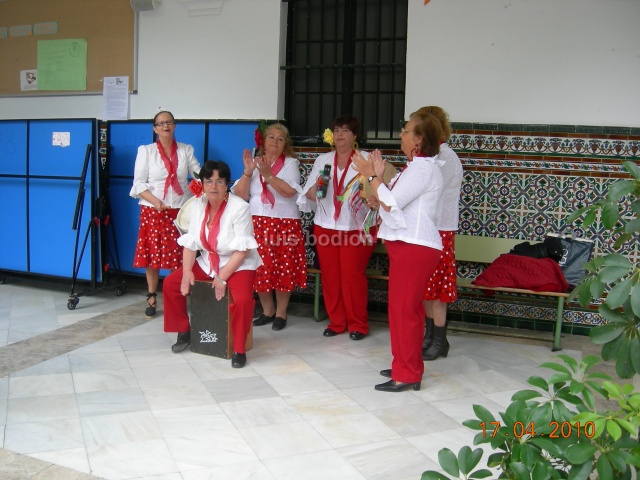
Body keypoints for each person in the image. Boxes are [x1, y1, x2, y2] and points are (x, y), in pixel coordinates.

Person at [351, 111, 444, 392]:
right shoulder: (414, 167)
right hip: (409, 246)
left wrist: (371, 176)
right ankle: (405, 364)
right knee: (403, 310)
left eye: (406, 131)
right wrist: (376, 180)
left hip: (415, 247)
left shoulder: (423, 169)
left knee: (404, 311)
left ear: (419, 139)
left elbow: (392, 203)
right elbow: (387, 203)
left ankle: (407, 373)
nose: (400, 135)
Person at [162, 161, 261, 367]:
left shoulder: (240, 207)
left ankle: (239, 349)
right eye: (209, 181)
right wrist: (188, 270)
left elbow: (242, 250)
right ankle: (184, 331)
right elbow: (191, 242)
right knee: (172, 284)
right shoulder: (197, 204)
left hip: (237, 263)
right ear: (202, 184)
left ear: (227, 184)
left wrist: (222, 277)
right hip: (209, 259)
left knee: (242, 300)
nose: (213, 186)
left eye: (219, 181)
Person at [299, 115, 375, 340]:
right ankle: (337, 321)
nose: (340, 134)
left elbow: (380, 190)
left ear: (355, 135)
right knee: (331, 276)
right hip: (326, 226)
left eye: (345, 130)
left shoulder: (366, 159)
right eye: (337, 130)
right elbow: (308, 194)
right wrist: (315, 189)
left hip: (356, 228)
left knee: (352, 276)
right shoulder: (323, 160)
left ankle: (358, 324)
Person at [232, 123, 307, 331]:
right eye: (271, 137)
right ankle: (267, 310)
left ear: (286, 145)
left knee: (284, 267)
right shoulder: (255, 163)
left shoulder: (291, 163)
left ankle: (281, 313)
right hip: (257, 222)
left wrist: (268, 176)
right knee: (260, 267)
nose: (275, 141)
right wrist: (248, 173)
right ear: (263, 142)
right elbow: (240, 195)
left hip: (285, 223)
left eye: (280, 138)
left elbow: (289, 191)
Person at [130, 110, 201, 318]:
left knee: (177, 256)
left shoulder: (186, 150)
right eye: (160, 124)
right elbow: (138, 184)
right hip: (154, 210)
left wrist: (202, 183)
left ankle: (176, 294)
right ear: (155, 129)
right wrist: (155, 202)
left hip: (179, 211)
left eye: (169, 122)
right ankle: (151, 295)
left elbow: (197, 174)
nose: (165, 126)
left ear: (175, 126)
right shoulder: (146, 151)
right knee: (152, 255)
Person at [416, 107, 463, 361]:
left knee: (438, 292)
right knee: (427, 288)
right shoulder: (431, 156)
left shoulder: (445, 157)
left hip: (441, 229)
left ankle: (439, 340)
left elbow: (429, 191)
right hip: (426, 229)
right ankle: (428, 335)